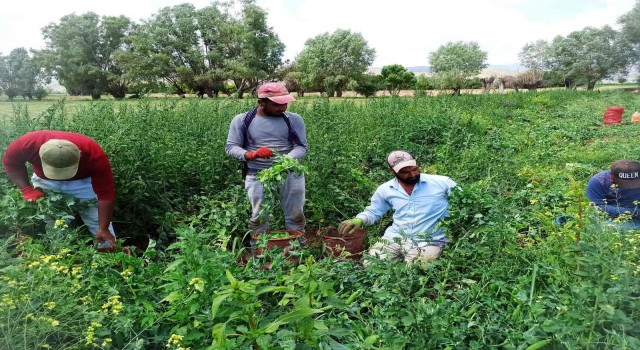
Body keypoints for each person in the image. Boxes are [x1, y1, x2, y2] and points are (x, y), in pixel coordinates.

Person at [2, 130, 117, 251]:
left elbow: (105, 193)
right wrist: (26, 190)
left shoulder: (93, 153)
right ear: (40, 154)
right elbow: (11, 164)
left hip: (83, 183)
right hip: (45, 182)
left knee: (97, 220)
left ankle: (110, 258)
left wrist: (103, 228)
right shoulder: (26, 144)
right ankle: (62, 256)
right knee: (55, 222)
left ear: (80, 154)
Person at [338, 151, 458, 264]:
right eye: (405, 172)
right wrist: (359, 220)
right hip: (395, 238)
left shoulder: (442, 183)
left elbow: (464, 204)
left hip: (430, 240)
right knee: (371, 263)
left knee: (416, 270)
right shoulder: (386, 189)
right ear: (392, 170)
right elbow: (374, 211)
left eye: (414, 169)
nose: (412, 174)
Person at [225, 82, 308, 235]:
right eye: (277, 104)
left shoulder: (294, 119)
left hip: (290, 174)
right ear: (261, 102)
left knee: (296, 217)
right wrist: (251, 154)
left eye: (285, 103)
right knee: (259, 219)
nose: (283, 108)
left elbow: (302, 147)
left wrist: (285, 161)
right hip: (257, 174)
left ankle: (297, 251)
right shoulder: (242, 120)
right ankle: (259, 254)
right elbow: (231, 147)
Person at [585, 159, 640, 230]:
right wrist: (633, 212)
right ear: (612, 177)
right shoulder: (599, 181)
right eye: (626, 184)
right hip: (612, 216)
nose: (631, 186)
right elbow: (595, 207)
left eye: (634, 183)